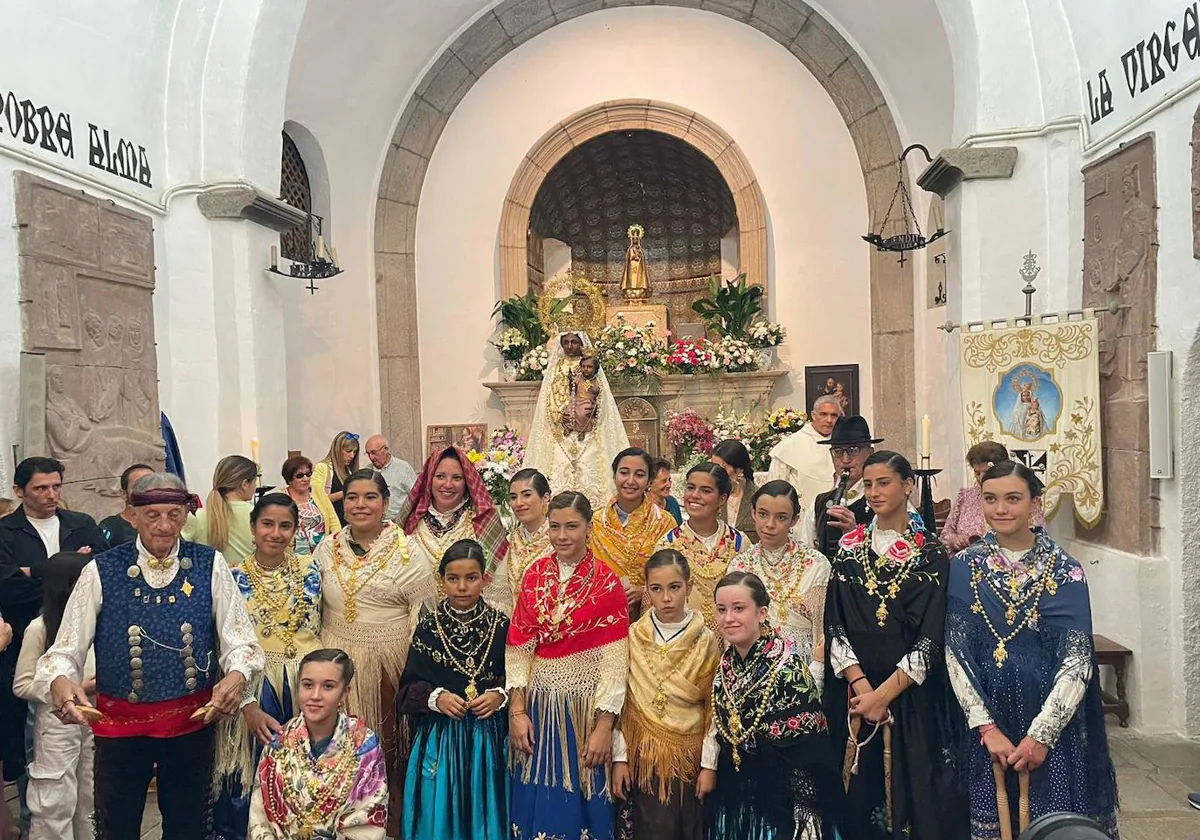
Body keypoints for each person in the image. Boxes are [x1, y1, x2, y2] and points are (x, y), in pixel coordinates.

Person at [40, 471, 264, 840]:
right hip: (119, 728)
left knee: (188, 825)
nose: (164, 525)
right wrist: (62, 681)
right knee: (117, 826)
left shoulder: (210, 564)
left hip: (192, 723)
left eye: (174, 515)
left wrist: (236, 675)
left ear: (186, 515)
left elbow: (241, 640)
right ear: (131, 514)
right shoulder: (102, 569)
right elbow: (64, 649)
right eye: (152, 515)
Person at [946, 461, 1118, 839]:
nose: (1001, 509)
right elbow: (956, 651)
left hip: (1050, 717)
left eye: (1012, 499)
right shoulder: (964, 565)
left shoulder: (1063, 570)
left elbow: (1076, 659)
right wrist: (985, 726)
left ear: (1034, 503)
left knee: (1051, 822)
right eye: (990, 499)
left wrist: (1042, 734)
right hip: (988, 716)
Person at [823, 451, 967, 840]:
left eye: (883, 482)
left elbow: (932, 633)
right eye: (867, 484)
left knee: (916, 794)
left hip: (910, 696)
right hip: (855, 693)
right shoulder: (848, 548)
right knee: (856, 794)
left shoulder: (931, 552)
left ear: (907, 486)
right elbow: (834, 624)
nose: (873, 492)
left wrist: (884, 695)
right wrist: (864, 690)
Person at [315, 469, 435, 835]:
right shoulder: (326, 547)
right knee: (336, 752)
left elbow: (423, 613)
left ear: (385, 503)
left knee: (387, 752)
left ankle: (389, 828)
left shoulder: (408, 551)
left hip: (388, 666)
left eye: (370, 497)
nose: (360, 505)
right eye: (352, 497)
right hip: (335, 665)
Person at [507, 491, 629, 840]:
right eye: (555, 526)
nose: (562, 536)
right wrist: (517, 712)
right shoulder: (533, 576)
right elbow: (519, 649)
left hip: (584, 711)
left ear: (589, 527)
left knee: (583, 801)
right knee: (538, 798)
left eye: (572, 526)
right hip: (539, 708)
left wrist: (605, 726)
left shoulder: (607, 583)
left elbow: (614, 661)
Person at [212, 493, 322, 840]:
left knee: (306, 779)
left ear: (295, 530)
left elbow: (324, 628)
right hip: (255, 688)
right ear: (253, 527)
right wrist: (246, 702)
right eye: (267, 524)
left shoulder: (311, 570)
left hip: (306, 686)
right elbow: (224, 645)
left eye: (285, 526)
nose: (275, 533)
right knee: (251, 778)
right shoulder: (231, 577)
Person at [0, 457, 105, 810]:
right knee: (34, 743)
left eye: (56, 486)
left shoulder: (80, 524)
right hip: (27, 635)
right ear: (19, 491)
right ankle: (35, 816)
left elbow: (99, 576)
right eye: (40, 488)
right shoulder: (6, 532)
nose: (51, 495)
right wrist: (59, 569)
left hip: (85, 637)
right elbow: (7, 586)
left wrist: (33, 572)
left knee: (89, 761)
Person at [709, 571, 840, 839]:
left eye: (739, 608)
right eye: (722, 610)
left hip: (783, 806)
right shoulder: (725, 665)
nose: (728, 618)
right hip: (737, 799)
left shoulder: (789, 669)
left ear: (762, 612)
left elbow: (810, 752)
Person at [397, 539, 510, 840]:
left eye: (471, 578)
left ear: (485, 579)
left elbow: (516, 680)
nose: (462, 587)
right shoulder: (428, 628)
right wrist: (437, 698)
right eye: (453, 578)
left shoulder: (502, 626)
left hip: (488, 741)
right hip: (441, 738)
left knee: (486, 813)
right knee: (441, 815)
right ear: (441, 581)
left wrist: (500, 696)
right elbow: (407, 690)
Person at [611, 550, 719, 840]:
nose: (666, 598)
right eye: (656, 589)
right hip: (643, 760)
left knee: (687, 827)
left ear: (690, 586)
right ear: (646, 590)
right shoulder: (634, 635)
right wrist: (620, 758)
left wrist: (709, 765)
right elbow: (624, 702)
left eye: (675, 587)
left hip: (688, 759)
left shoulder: (707, 641)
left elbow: (714, 708)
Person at [248, 649, 388, 840]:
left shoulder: (364, 748)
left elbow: (370, 821)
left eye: (328, 686)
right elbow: (260, 816)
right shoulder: (278, 745)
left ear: (344, 693)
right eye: (307, 685)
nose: (315, 695)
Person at [12, 552, 94, 840]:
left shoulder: (95, 624)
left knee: (90, 797)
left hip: (94, 722)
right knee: (54, 801)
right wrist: (67, 689)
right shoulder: (39, 629)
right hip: (55, 724)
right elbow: (22, 684)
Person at [524, 330, 631, 512]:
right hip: (560, 426)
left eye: (575, 342)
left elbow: (600, 395)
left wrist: (591, 406)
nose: (570, 346)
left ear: (582, 343)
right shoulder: (556, 366)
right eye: (566, 342)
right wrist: (560, 413)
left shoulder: (591, 366)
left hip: (589, 427)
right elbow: (549, 396)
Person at [398, 446, 511, 615]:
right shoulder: (412, 522)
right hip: (421, 623)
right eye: (440, 476)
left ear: (467, 481)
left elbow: (497, 581)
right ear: (429, 479)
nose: (448, 484)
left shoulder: (484, 520)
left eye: (457, 478)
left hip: (474, 622)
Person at [729, 480, 830, 661]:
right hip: (754, 664)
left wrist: (817, 671)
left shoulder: (816, 565)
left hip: (803, 668)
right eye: (763, 514)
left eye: (781, 517)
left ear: (794, 520)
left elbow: (823, 629)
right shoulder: (740, 566)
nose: (770, 524)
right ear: (753, 513)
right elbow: (732, 624)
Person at [657, 463, 750, 630]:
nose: (695, 495)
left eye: (706, 491)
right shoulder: (667, 544)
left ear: (722, 498)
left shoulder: (738, 543)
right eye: (691, 488)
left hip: (732, 640)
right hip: (683, 642)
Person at [590, 448, 677, 617]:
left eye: (639, 475)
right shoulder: (596, 522)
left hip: (649, 620)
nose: (630, 481)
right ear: (614, 476)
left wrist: (645, 591)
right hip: (601, 616)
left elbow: (674, 575)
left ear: (649, 481)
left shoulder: (664, 523)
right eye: (624, 473)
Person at [942, 442, 1045, 552]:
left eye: (986, 472)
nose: (981, 479)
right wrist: (954, 540)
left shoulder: (1022, 497)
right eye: (977, 473)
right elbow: (946, 534)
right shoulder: (965, 496)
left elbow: (1038, 535)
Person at [809, 415, 881, 558]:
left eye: (853, 450)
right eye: (837, 451)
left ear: (870, 453)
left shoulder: (881, 499)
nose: (845, 459)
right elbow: (807, 554)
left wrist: (854, 533)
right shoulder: (819, 503)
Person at [768, 395, 844, 515]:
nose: (829, 420)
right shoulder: (791, 444)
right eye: (823, 414)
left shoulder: (844, 445)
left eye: (834, 415)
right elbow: (775, 487)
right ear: (813, 415)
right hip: (799, 517)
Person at [183, 455, 258, 564]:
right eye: (254, 481)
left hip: (209, 579)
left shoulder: (198, 516)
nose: (255, 487)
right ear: (245, 484)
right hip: (248, 579)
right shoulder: (258, 515)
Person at [505, 468, 552, 599]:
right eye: (513, 497)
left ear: (545, 498)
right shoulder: (507, 542)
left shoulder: (560, 540)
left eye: (526, 495)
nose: (518, 503)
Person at [280, 455, 340, 556]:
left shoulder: (317, 491)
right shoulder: (281, 497)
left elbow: (333, 519)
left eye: (308, 474)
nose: (306, 478)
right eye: (300, 476)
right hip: (295, 556)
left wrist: (339, 543)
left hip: (323, 554)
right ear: (289, 479)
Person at [711, 439, 758, 543]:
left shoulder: (758, 498)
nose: (716, 473)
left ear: (740, 469)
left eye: (723, 468)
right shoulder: (712, 496)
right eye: (713, 467)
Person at [98, 463, 154, 547]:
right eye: (139, 486)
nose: (148, 491)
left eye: (154, 486)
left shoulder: (167, 524)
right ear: (124, 494)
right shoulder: (111, 527)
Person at [364, 435, 417, 520]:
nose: (371, 457)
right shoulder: (366, 472)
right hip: (374, 524)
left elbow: (416, 497)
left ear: (385, 449)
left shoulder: (403, 468)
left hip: (400, 522)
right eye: (368, 454)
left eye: (374, 452)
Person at [313, 431, 361, 527]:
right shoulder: (323, 467)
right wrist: (347, 492)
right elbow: (318, 500)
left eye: (354, 452)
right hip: (331, 525)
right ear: (337, 450)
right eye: (348, 451)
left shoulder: (349, 471)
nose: (352, 456)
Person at [647, 457, 683, 525]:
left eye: (669, 480)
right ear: (650, 483)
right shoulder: (642, 506)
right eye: (664, 481)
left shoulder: (672, 502)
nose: (669, 485)